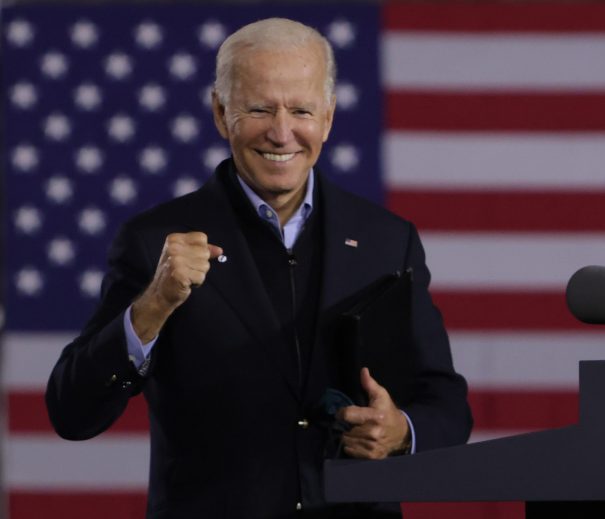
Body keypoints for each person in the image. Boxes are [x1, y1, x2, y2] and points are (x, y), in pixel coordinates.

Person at [46, 18, 472, 519]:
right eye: (259, 109)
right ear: (221, 113)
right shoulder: (152, 242)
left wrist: (401, 432)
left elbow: (445, 402)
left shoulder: (387, 240)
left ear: (329, 118)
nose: (282, 131)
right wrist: (152, 306)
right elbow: (72, 413)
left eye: (301, 110)